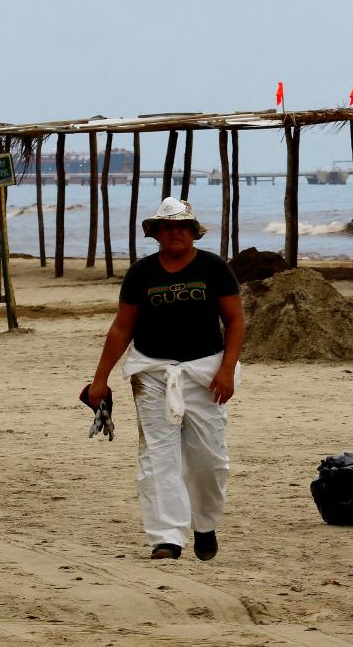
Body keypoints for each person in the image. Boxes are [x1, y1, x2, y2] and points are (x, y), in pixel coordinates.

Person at [87, 197, 245, 560]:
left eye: (181, 227)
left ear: (193, 232)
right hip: (152, 372)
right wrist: (100, 379)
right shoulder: (141, 274)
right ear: (157, 233)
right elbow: (122, 327)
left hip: (206, 372)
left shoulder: (214, 268)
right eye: (167, 227)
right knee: (158, 455)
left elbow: (235, 321)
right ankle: (167, 537)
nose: (174, 232)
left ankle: (204, 524)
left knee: (209, 459)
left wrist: (227, 369)